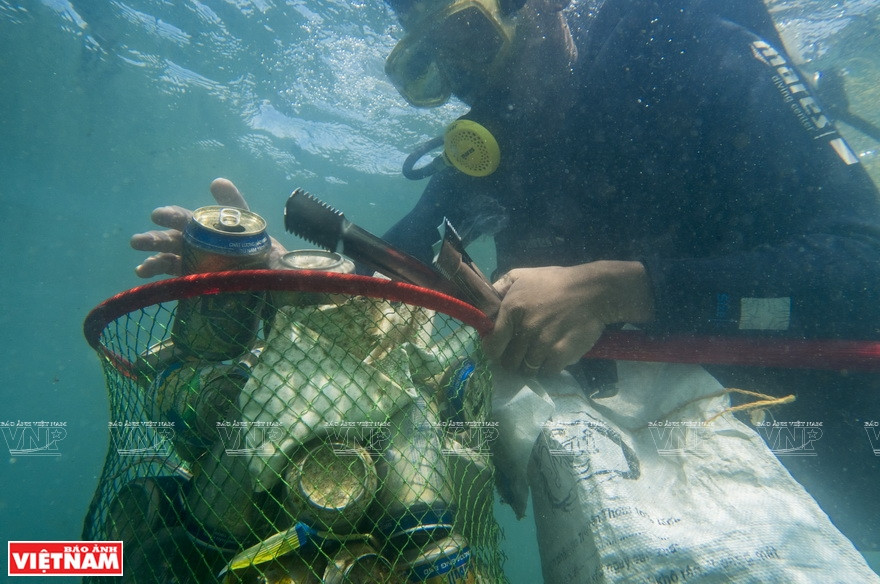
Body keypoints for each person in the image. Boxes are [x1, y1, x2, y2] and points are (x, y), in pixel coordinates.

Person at [132, 0, 880, 557]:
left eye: (469, 37)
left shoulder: (683, 42)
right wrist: (271, 271)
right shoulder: (500, 140)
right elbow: (390, 268)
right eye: (430, 67)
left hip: (831, 409)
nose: (466, 86)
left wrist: (620, 289)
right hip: (660, 454)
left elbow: (866, 268)